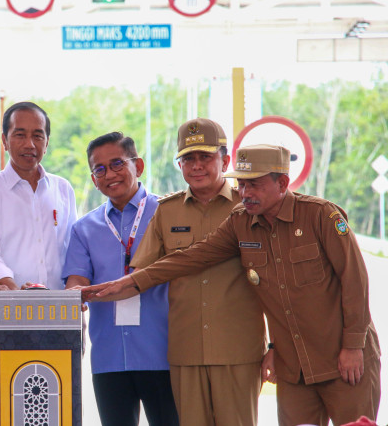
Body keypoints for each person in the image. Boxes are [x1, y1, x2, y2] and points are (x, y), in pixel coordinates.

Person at [85, 144, 382, 426]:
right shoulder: (240, 221)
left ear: (282, 183)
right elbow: (189, 258)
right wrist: (125, 284)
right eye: (242, 184)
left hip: (344, 360)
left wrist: (353, 346)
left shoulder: (322, 216)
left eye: (255, 184)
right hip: (294, 371)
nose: (246, 192)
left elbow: (354, 282)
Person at [130, 118, 266, 425]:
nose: (196, 166)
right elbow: (142, 273)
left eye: (205, 157)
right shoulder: (166, 211)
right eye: (188, 158)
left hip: (238, 351)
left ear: (225, 159)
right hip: (186, 352)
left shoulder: (248, 209)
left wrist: (275, 347)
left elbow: (273, 283)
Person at [62, 132, 178, 426]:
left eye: (117, 164)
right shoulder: (84, 228)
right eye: (99, 169)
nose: (109, 174)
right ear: (93, 179)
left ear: (138, 166)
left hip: (163, 353)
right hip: (109, 357)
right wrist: (74, 295)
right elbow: (75, 281)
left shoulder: (169, 213)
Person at [0, 101, 77, 290]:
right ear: (5, 141)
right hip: (10, 309)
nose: (29, 144)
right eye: (20, 135)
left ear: (47, 142)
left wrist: (74, 300)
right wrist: (18, 294)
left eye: (37, 136)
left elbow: (74, 252)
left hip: (60, 308)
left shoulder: (63, 189)